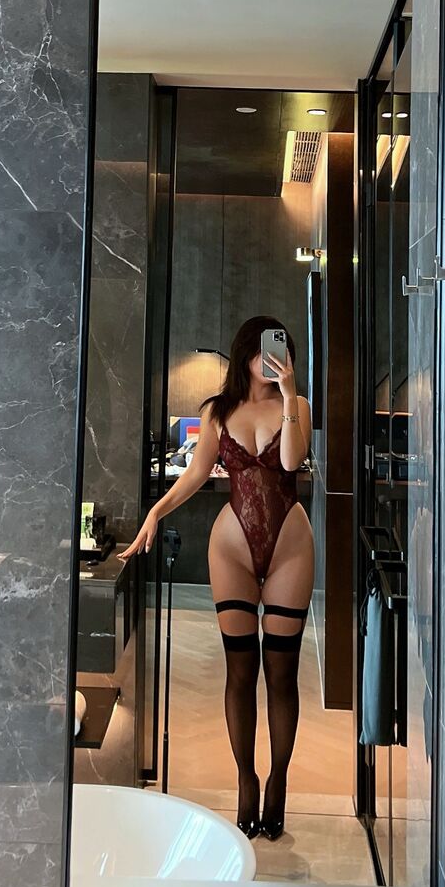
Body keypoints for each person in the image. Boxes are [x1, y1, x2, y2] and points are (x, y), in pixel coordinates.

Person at [121, 316, 313, 841]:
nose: (273, 360)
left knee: (281, 672)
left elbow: (291, 461)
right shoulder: (217, 411)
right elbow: (197, 472)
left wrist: (289, 393)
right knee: (239, 670)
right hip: (231, 546)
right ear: (245, 352)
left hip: (290, 545)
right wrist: (156, 512)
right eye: (265, 351)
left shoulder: (297, 405)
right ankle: (246, 779)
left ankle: (278, 780)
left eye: (282, 351)